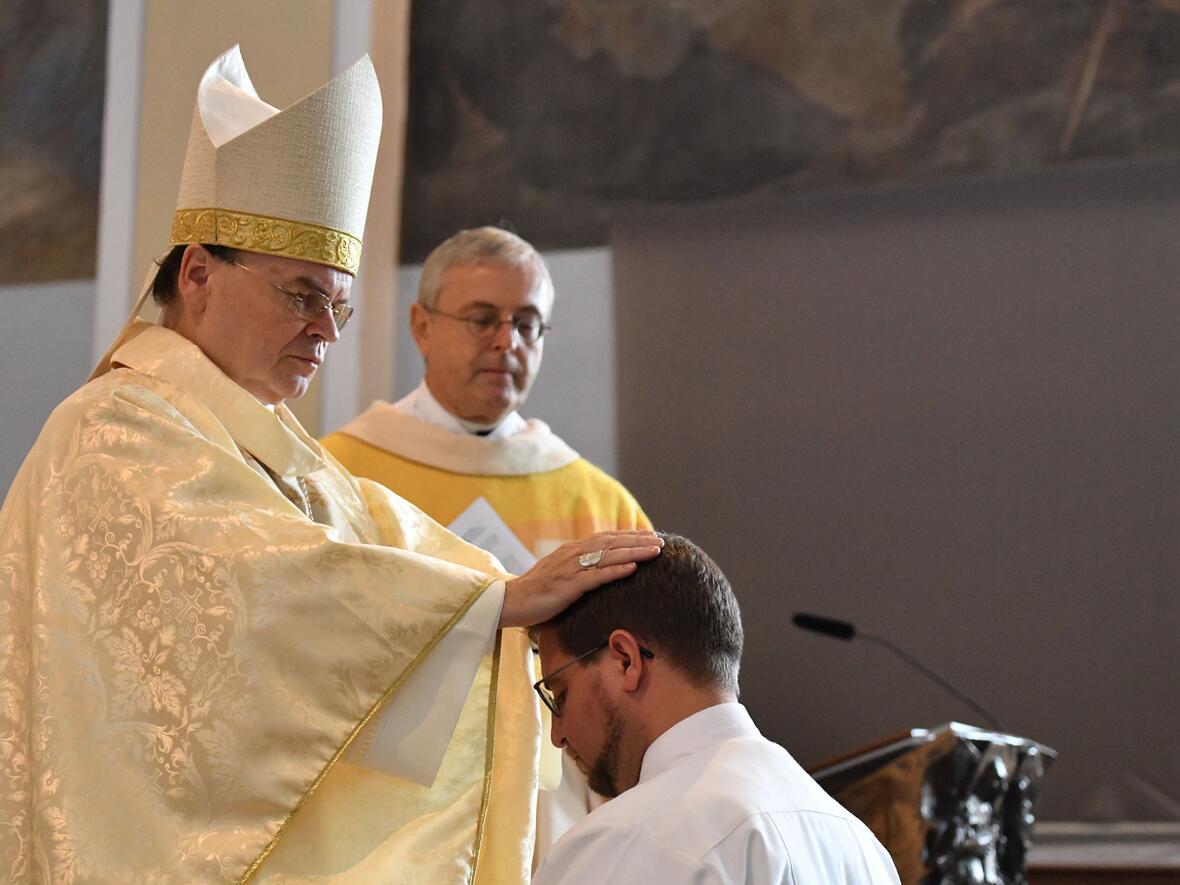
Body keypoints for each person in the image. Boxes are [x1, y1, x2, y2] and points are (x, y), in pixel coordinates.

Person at [0, 47, 660, 884]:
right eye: (303, 295)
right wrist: (492, 600)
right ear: (198, 271)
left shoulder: (264, 438)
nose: (328, 331)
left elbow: (369, 544)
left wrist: (490, 595)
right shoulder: (113, 431)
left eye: (340, 306)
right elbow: (265, 597)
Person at [321, 226, 650, 867]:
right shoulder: (341, 475)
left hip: (545, 799)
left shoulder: (595, 501)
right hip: (387, 801)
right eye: (482, 319)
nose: (508, 342)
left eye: (529, 325)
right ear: (421, 326)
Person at [529, 534, 902, 885]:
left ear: (626, 660)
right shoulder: (861, 847)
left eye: (560, 695)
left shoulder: (625, 842)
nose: (558, 734)